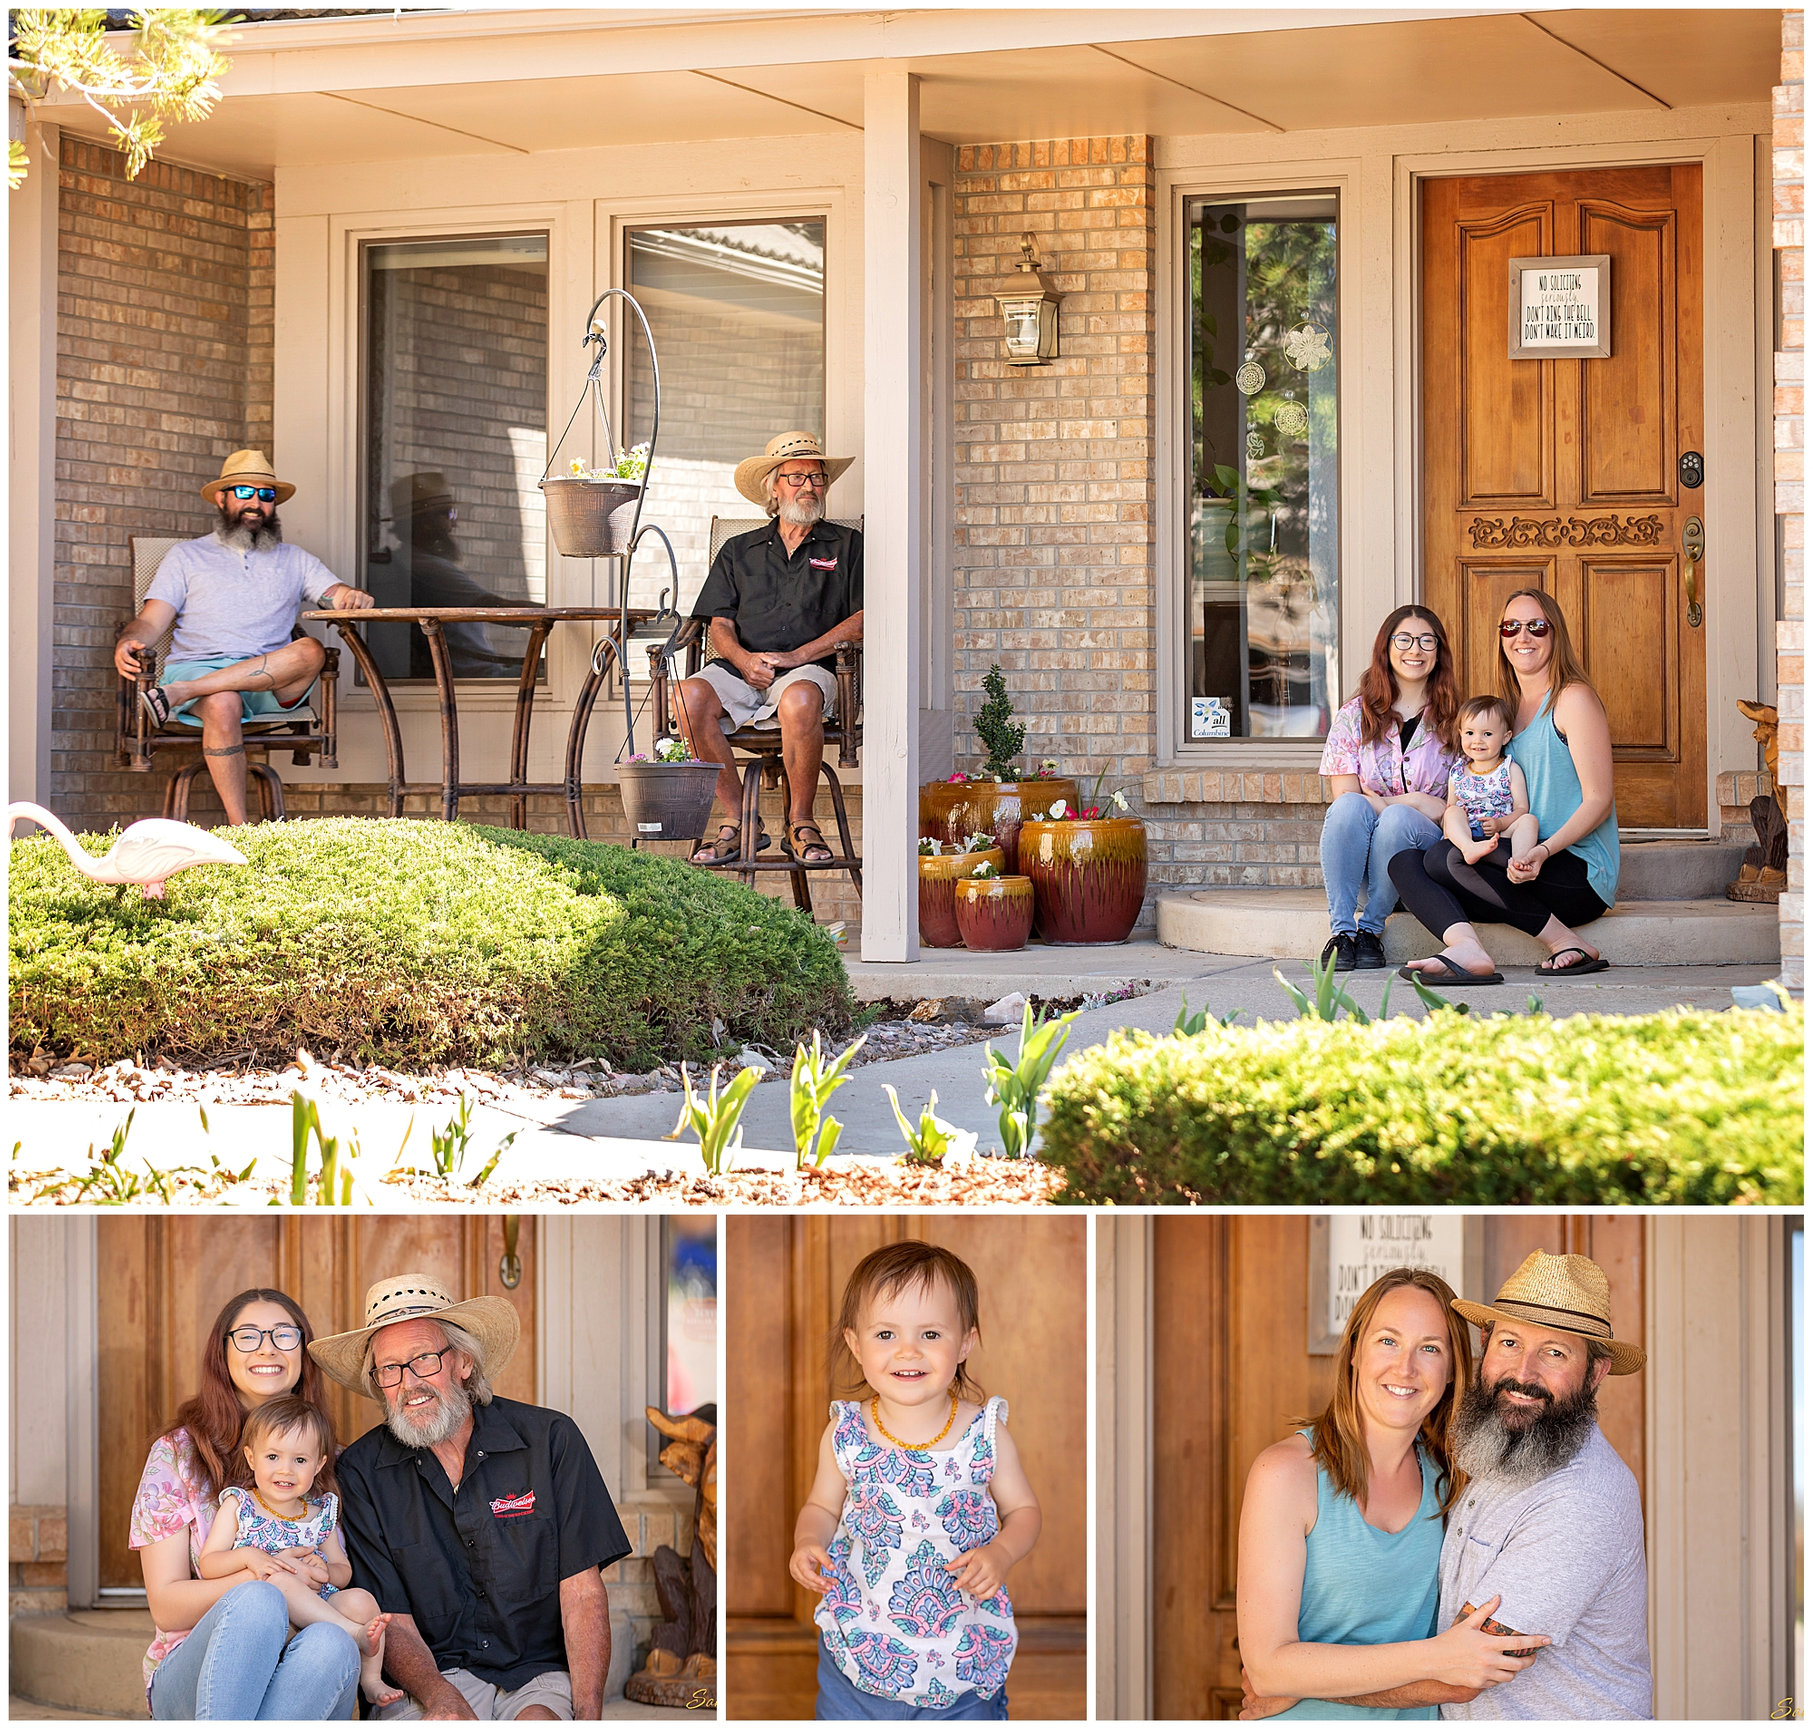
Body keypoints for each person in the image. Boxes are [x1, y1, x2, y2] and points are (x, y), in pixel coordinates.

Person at [1241, 1253, 1650, 1722]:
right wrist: (1281, 1678)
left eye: (1555, 1352)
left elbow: (1463, 1672)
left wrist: (1299, 1686)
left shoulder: (1573, 1499)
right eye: (1511, 1342)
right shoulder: (1472, 1463)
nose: (1524, 1371)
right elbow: (1269, 1666)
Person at [312, 1274, 632, 1720]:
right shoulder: (361, 1472)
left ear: (463, 1362)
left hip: (536, 1673)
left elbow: (581, 1593)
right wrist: (442, 1699)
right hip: (427, 1677)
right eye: (390, 1369)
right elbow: (392, 1619)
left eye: (423, 1359)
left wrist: (589, 1716)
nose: (409, 1384)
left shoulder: (550, 1440)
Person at [790, 1240, 1041, 1721]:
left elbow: (1024, 1512)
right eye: (885, 1334)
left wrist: (1001, 1553)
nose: (908, 1350)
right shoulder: (846, 1433)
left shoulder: (984, 1434)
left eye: (930, 1334)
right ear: (854, 1344)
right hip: (858, 1659)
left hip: (963, 1663)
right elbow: (822, 1507)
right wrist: (807, 1541)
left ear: (964, 1342)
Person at [129, 1287, 361, 1720]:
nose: (268, 1348)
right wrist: (265, 1576)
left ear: (303, 1352)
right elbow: (166, 1605)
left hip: (302, 1657)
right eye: (249, 1335)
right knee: (257, 1602)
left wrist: (314, 1576)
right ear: (224, 1353)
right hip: (195, 1667)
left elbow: (343, 1577)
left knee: (334, 1641)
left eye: (284, 1335)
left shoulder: (336, 1464)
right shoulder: (177, 1454)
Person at [113, 450, 374, 825]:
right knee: (223, 702)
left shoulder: (295, 559)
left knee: (311, 650)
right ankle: (242, 831)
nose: (255, 503)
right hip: (197, 668)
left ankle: (183, 693)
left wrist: (351, 596)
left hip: (268, 681)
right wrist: (128, 641)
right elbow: (150, 622)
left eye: (266, 495)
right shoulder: (186, 556)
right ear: (222, 498)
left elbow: (334, 595)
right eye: (244, 492)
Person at [1391, 590, 1618, 984]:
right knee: (1406, 863)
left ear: (1555, 634)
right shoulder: (1505, 711)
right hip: (1512, 862)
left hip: (1572, 868)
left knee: (1445, 858)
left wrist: (1542, 851)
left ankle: (1563, 938)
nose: (1522, 637)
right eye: (1511, 627)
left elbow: (1599, 799)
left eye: (1536, 627)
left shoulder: (1572, 699)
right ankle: (1466, 948)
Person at [677, 431, 863, 867]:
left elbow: (863, 618)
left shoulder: (848, 545)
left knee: (799, 700)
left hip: (811, 669)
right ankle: (740, 820)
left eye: (816, 478)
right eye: (796, 476)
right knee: (687, 698)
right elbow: (718, 622)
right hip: (742, 667)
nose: (808, 486)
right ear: (774, 488)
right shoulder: (738, 550)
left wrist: (798, 656)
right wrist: (743, 660)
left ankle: (801, 824)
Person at [195, 1393, 401, 1708]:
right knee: (277, 1580)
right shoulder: (240, 1505)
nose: (286, 1470)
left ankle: (371, 1681)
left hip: (317, 1609)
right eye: (273, 1457)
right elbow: (208, 1564)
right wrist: (249, 1557)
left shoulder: (320, 1513)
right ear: (251, 1458)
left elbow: (342, 1570)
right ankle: (352, 1632)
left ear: (318, 1464)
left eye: (300, 1460)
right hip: (265, 1617)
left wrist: (324, 1570)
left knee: (362, 1600)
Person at [1317, 608, 1463, 971]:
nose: (1415, 649)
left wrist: (1394, 804)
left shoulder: (1457, 718)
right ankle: (1343, 933)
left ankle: (1370, 929)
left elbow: (1456, 807)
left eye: (1427, 640)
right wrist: (1416, 801)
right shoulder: (1355, 715)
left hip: (1421, 864)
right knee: (1351, 808)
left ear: (1439, 651)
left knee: (1398, 817)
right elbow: (1347, 801)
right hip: (1365, 866)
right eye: (1404, 639)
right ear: (1387, 647)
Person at [1441, 697, 1538, 869]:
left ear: (1505, 737)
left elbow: (1522, 808)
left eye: (1487, 734)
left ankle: (1520, 861)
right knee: (1452, 812)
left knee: (1529, 820)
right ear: (1460, 733)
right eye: (1470, 733)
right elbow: (1451, 806)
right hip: (1468, 833)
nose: (1477, 740)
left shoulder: (1509, 769)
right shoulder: (1457, 771)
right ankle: (1468, 848)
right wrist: (1454, 824)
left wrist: (1500, 824)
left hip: (1502, 833)